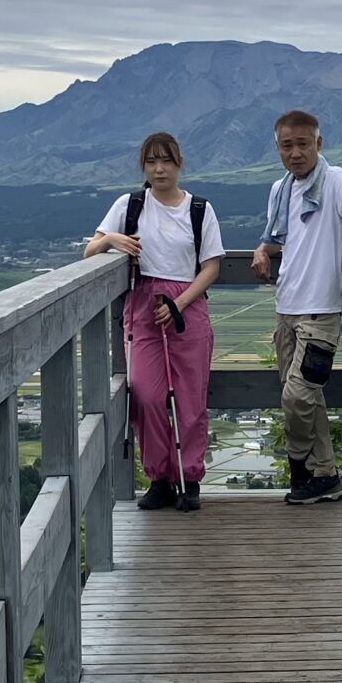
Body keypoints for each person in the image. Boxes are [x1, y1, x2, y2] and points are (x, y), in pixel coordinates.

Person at [252, 109, 342, 504]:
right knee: (305, 396)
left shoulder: (334, 180)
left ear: (318, 143)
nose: (295, 153)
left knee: (297, 396)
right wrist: (262, 249)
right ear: (278, 148)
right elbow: (278, 237)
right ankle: (325, 478)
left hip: (320, 314)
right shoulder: (279, 190)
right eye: (287, 145)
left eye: (303, 144)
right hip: (286, 308)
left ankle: (300, 465)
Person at [84, 131, 223, 511]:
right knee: (146, 394)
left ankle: (188, 478)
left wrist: (178, 303)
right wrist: (112, 238)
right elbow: (89, 250)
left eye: (166, 160)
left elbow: (211, 266)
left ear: (180, 163)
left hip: (188, 307)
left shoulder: (199, 209)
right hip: (142, 306)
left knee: (191, 397)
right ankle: (160, 476)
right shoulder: (129, 206)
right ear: (143, 167)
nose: (159, 169)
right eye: (151, 161)